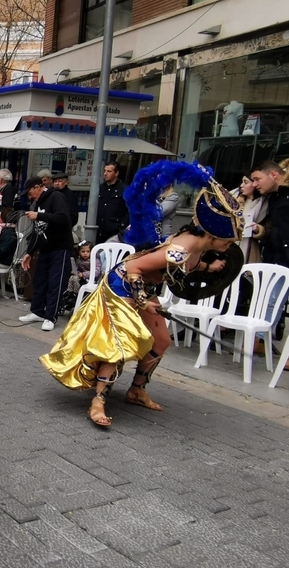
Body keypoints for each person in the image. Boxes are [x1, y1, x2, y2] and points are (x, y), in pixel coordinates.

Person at [42, 161, 244, 428]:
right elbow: (133, 267)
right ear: (213, 234)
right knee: (118, 345)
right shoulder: (181, 249)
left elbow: (185, 267)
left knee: (161, 341)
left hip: (145, 288)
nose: (228, 246)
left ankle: (136, 390)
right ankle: (98, 401)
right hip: (122, 284)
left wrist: (211, 267)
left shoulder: (196, 247)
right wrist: (143, 302)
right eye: (228, 242)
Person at [251, 157, 289, 371]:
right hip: (277, 258)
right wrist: (262, 232)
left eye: (257, 179)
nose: (255, 184)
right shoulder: (275, 196)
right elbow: (277, 228)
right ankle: (262, 340)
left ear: (273, 174)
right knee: (271, 302)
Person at [18, 177, 73, 331]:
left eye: (30, 193)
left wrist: (39, 215)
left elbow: (63, 218)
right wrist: (29, 252)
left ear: (38, 187)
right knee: (39, 281)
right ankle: (37, 311)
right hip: (45, 248)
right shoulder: (38, 202)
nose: (30, 197)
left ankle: (50, 317)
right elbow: (37, 231)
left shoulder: (56, 197)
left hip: (60, 248)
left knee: (55, 283)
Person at [231, 174, 268, 263]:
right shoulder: (233, 198)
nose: (241, 185)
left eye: (246, 182)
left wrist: (258, 229)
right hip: (230, 243)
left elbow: (269, 230)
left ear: (255, 184)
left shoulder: (264, 204)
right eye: (242, 182)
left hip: (250, 247)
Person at [96, 162, 129, 244]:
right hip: (98, 230)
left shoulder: (124, 189)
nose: (105, 174)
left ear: (116, 173)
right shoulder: (100, 188)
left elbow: (129, 211)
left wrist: (121, 226)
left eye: (109, 171)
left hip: (114, 232)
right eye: (105, 171)